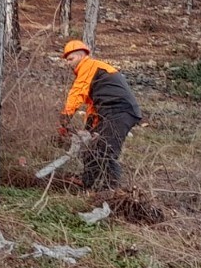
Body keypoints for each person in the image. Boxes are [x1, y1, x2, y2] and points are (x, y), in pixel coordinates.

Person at [59, 40, 141, 190]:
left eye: (71, 59)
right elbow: (93, 106)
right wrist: (89, 129)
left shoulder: (89, 66)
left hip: (121, 111)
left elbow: (77, 94)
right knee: (93, 148)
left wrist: (65, 118)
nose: (68, 63)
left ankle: (113, 191)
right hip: (111, 112)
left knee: (107, 151)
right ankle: (86, 183)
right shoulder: (93, 73)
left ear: (81, 56)